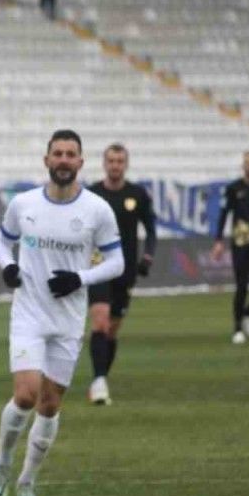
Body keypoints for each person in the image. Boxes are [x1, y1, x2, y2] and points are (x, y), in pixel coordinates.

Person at [0, 129, 123, 496]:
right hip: (29, 314)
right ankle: (3, 461)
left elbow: (117, 262)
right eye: (57, 153)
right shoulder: (24, 203)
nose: (64, 160)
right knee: (26, 395)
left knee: (49, 405)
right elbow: (0, 242)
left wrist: (80, 278)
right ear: (46, 160)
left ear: (80, 162)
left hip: (67, 320)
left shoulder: (96, 210)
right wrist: (9, 265)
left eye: (71, 154)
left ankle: (28, 480)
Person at [84, 144, 157, 404]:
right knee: (100, 322)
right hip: (98, 267)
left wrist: (147, 257)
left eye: (119, 161)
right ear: (104, 164)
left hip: (124, 271)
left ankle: (100, 377)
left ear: (126, 164)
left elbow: (151, 230)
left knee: (112, 331)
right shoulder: (91, 194)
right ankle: (100, 381)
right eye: (111, 161)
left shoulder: (137, 194)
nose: (115, 165)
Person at [211, 151, 249, 345]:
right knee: (242, 286)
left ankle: (247, 313)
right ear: (243, 166)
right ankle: (237, 328)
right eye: (248, 164)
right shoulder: (233, 189)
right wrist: (219, 240)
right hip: (241, 244)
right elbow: (223, 214)